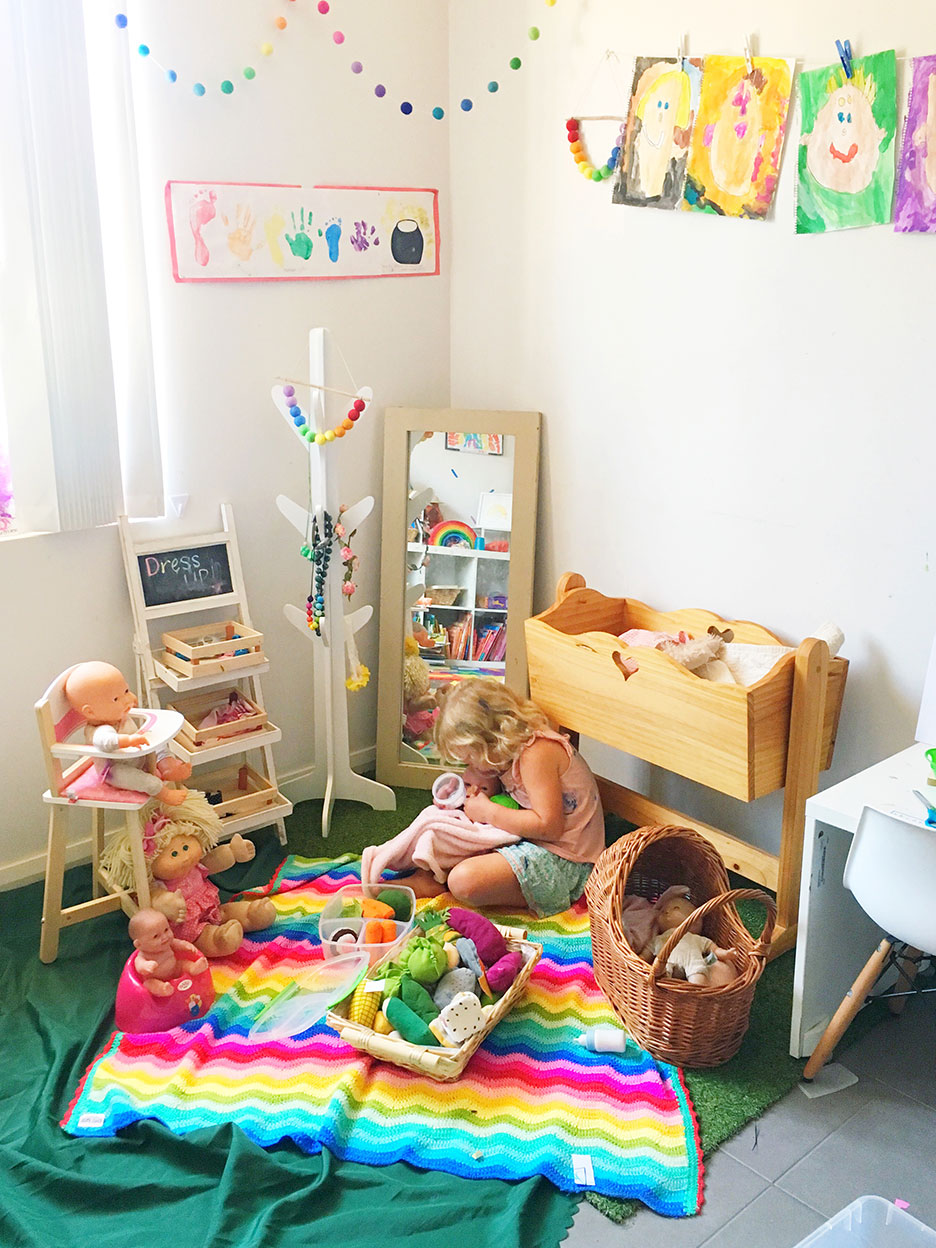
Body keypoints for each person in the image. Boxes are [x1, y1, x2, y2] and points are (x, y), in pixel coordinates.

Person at [405, 678, 604, 916]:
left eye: (470, 758)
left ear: (492, 740)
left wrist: (487, 812)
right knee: (445, 829)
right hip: (531, 843)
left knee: (463, 880)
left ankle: (442, 880)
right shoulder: (507, 754)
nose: (470, 766)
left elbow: (548, 826)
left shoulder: (536, 754)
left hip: (567, 864)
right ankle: (430, 875)